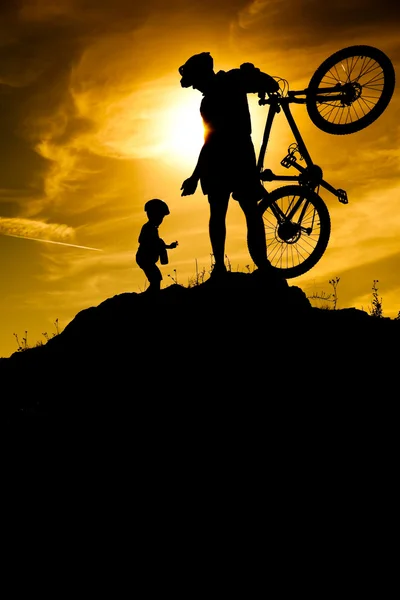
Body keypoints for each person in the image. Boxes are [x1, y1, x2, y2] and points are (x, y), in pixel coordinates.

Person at [179, 51, 280, 277]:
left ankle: (245, 266)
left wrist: (255, 75)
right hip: (231, 156)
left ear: (203, 75)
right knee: (240, 213)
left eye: (195, 82)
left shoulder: (231, 81)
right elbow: (209, 141)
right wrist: (195, 176)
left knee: (233, 213)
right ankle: (244, 266)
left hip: (232, 157)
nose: (195, 88)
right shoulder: (227, 85)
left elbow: (269, 84)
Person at [136, 199, 178, 293]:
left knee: (156, 279)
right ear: (152, 215)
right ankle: (150, 298)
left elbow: (157, 243)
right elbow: (141, 240)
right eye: (160, 216)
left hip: (147, 259)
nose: (161, 220)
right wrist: (156, 244)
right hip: (144, 258)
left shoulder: (153, 229)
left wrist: (168, 246)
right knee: (156, 279)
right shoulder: (148, 227)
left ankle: (151, 296)